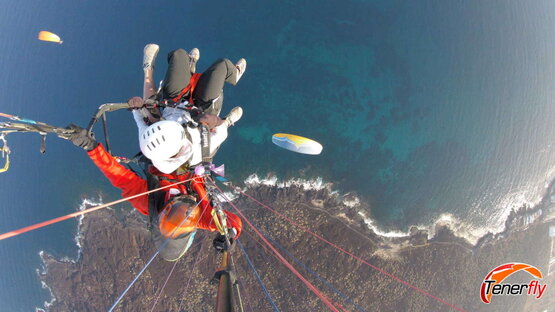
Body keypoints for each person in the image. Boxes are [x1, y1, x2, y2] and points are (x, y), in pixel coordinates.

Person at [66, 126, 242, 261]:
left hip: (164, 155)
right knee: (218, 131)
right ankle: (226, 122)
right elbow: (234, 221)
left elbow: (118, 175)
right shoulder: (200, 218)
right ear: (191, 226)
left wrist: (90, 146)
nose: (186, 208)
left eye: (176, 212)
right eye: (188, 214)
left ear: (165, 212)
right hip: (194, 162)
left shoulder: (149, 202)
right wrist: (230, 234)